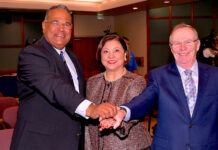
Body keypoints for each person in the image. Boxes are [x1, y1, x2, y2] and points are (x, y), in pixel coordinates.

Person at [10, 5, 117, 150]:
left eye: (67, 24)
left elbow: (77, 96)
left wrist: (104, 114)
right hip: (38, 143)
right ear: (43, 26)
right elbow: (54, 87)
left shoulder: (74, 59)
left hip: (71, 142)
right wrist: (91, 109)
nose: (62, 29)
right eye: (55, 22)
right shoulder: (31, 55)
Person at [102, 23, 218, 150]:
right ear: (171, 48)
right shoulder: (159, 75)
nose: (182, 47)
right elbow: (144, 100)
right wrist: (123, 111)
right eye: (176, 43)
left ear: (198, 45)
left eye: (188, 42)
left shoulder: (215, 75)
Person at [85, 34, 152, 150]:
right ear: (100, 55)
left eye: (116, 50)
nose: (111, 56)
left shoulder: (136, 81)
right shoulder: (92, 82)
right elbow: (89, 118)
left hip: (130, 146)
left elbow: (135, 111)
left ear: (125, 55)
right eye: (106, 51)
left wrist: (116, 119)